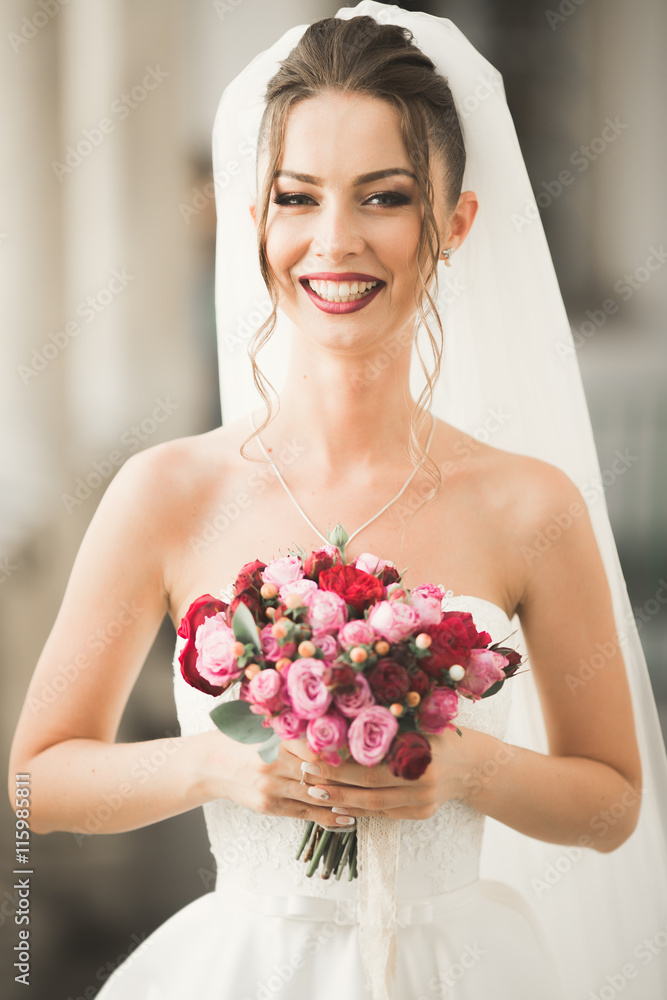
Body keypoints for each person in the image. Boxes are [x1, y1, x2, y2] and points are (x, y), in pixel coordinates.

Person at [9, 3, 667, 999]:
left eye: (384, 197)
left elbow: (611, 802)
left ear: (454, 224)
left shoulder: (532, 505)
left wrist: (464, 768)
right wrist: (221, 767)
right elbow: (37, 780)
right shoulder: (168, 492)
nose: (334, 240)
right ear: (255, 218)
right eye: (297, 196)